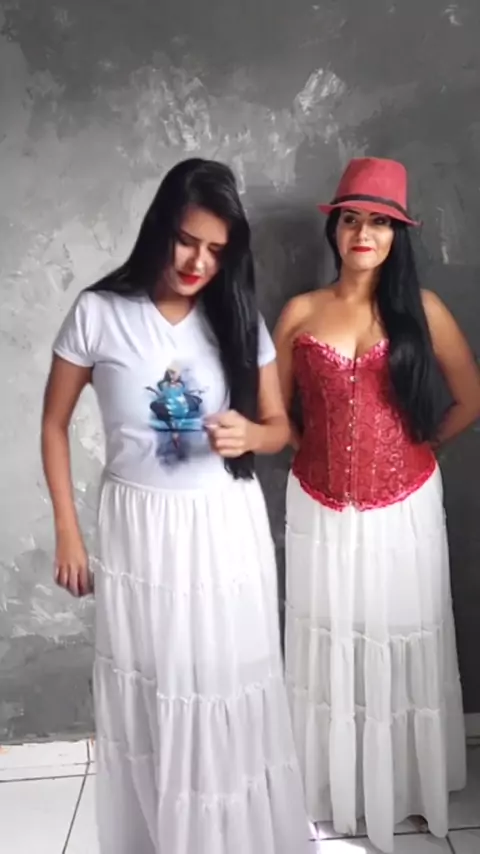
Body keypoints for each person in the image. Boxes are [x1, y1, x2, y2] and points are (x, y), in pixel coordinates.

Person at [41, 158, 310, 854]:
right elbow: (53, 424)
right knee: (154, 687)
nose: (198, 262)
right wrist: (68, 531)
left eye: (217, 250)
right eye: (187, 241)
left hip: (223, 527)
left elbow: (279, 427)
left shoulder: (236, 317)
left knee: (223, 682)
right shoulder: (99, 312)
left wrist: (251, 434)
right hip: (141, 532)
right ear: (160, 227)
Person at [274, 156, 480, 853]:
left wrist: (415, 451)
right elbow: (273, 407)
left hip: (406, 506)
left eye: (380, 223)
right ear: (335, 229)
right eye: (352, 220)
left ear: (398, 234)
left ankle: (407, 786)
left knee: (400, 631)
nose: (364, 233)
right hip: (319, 504)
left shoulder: (423, 310)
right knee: (330, 637)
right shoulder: (300, 312)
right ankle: (330, 787)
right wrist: (308, 449)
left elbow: (469, 397)